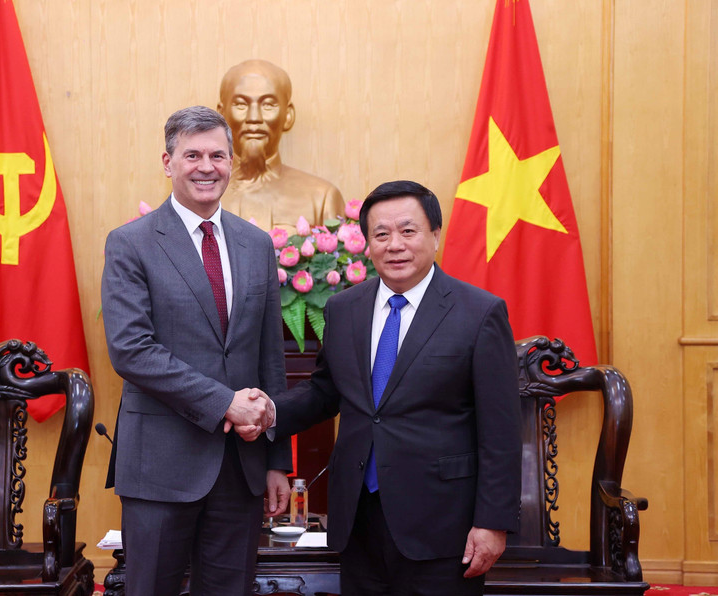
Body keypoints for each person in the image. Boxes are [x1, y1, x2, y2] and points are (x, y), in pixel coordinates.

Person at [242, 180, 522, 595]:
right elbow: (325, 392)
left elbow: (501, 430)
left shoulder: (479, 313)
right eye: (382, 234)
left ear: (435, 235)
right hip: (358, 517)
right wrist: (270, 412)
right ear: (368, 244)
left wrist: (492, 522)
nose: (395, 245)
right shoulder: (344, 308)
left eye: (408, 231)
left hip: (443, 525)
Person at [101, 105, 293, 596]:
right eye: (193, 155)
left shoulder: (256, 244)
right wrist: (225, 402)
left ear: (231, 163)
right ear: (168, 163)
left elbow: (270, 357)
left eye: (217, 156)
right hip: (160, 465)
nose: (206, 167)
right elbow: (131, 350)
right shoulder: (131, 243)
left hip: (242, 466)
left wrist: (277, 460)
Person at [217, 59, 345, 232]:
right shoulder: (196, 197)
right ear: (221, 115)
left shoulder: (322, 198)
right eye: (241, 104)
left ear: (288, 115)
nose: (254, 117)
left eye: (268, 105)